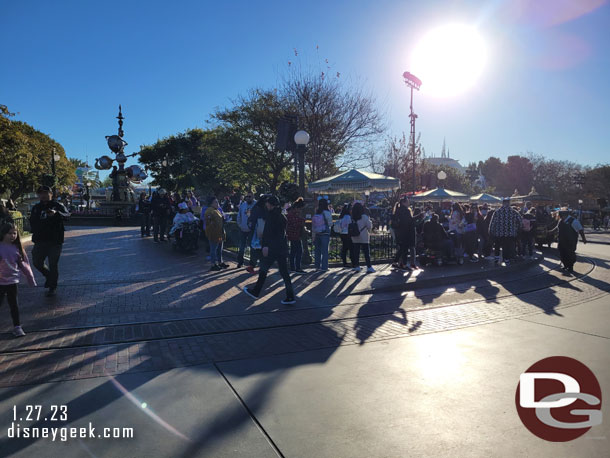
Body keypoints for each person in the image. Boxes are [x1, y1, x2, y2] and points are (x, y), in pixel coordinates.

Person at [243, 195, 296, 305]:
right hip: (280, 249)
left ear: (270, 204)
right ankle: (290, 296)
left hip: (274, 249)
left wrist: (267, 246)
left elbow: (274, 234)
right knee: (283, 273)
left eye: (267, 203)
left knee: (264, 270)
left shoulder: (275, 216)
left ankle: (256, 292)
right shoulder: (278, 215)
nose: (266, 205)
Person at [29, 185, 70, 297]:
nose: (43, 195)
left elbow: (67, 215)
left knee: (53, 264)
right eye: (41, 193)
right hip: (40, 240)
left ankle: (53, 286)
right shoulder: (36, 208)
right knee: (37, 262)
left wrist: (57, 214)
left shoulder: (58, 205)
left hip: (55, 241)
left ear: (51, 194)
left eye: (46, 193)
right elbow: (32, 221)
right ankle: (48, 276)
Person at [0, 223, 36, 337]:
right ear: (3, 233)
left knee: (14, 305)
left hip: (12, 281)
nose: (12, 236)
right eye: (9, 233)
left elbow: (24, 265)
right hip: (0, 282)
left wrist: (30, 278)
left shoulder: (17, 248)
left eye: (14, 233)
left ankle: (17, 327)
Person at [489, 197, 522, 265]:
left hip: (498, 233)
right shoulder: (514, 212)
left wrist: (491, 231)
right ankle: (506, 259)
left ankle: (496, 258)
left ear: (502, 203)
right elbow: (520, 222)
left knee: (497, 246)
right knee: (506, 247)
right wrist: (516, 229)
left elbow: (492, 223)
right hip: (509, 233)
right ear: (509, 203)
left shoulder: (497, 212)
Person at [204, 197, 229, 271]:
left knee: (219, 249)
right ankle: (213, 264)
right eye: (216, 202)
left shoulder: (216, 210)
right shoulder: (209, 211)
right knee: (213, 249)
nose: (217, 203)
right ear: (211, 203)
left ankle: (220, 262)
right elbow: (209, 222)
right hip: (214, 234)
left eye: (217, 202)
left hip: (219, 233)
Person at [392, 197, 416, 270]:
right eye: (407, 201)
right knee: (404, 249)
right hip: (405, 232)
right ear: (404, 202)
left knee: (401, 248)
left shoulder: (397, 210)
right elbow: (410, 221)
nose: (408, 203)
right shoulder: (406, 211)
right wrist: (419, 217)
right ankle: (404, 264)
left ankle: (396, 262)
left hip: (398, 232)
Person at [350, 202, 374, 273]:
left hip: (355, 236)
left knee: (356, 252)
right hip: (364, 237)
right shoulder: (364, 217)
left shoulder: (352, 217)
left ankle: (357, 266)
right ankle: (369, 267)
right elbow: (369, 226)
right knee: (366, 253)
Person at [286, 198, 306, 273]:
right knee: (299, 251)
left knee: (293, 252)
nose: (300, 211)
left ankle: (292, 267)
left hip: (294, 235)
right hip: (294, 235)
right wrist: (302, 221)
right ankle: (297, 267)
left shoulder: (292, 214)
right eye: (300, 209)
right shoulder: (291, 215)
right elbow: (294, 224)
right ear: (296, 208)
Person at [312, 198, 332, 271]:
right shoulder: (327, 212)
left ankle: (317, 266)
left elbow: (313, 224)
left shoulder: (317, 212)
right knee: (325, 251)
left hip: (317, 233)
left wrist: (313, 235)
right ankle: (324, 267)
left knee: (317, 250)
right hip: (325, 233)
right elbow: (330, 223)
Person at [236, 193, 256, 268]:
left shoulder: (256, 204)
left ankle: (252, 263)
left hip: (252, 230)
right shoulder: (243, 204)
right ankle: (240, 262)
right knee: (242, 246)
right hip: (243, 229)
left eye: (249, 196)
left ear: (253, 197)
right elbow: (239, 215)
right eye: (246, 197)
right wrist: (240, 225)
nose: (248, 198)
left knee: (252, 247)